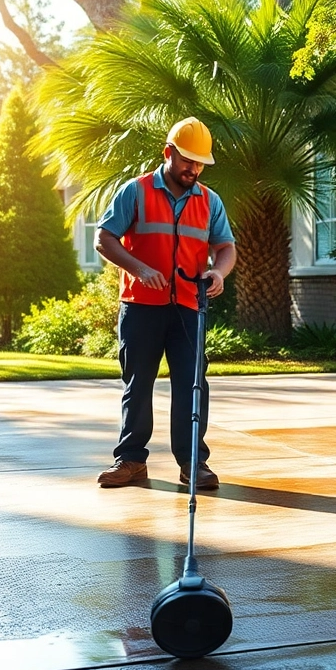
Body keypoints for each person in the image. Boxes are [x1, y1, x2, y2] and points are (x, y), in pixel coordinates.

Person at [93, 117, 238, 489]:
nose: (193, 168)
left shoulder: (210, 201)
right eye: (187, 160)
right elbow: (104, 238)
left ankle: (193, 463)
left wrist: (219, 272)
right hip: (140, 305)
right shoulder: (136, 191)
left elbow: (226, 248)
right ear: (168, 152)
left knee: (192, 385)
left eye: (199, 162)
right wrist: (139, 268)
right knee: (138, 384)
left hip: (188, 306)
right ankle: (130, 461)